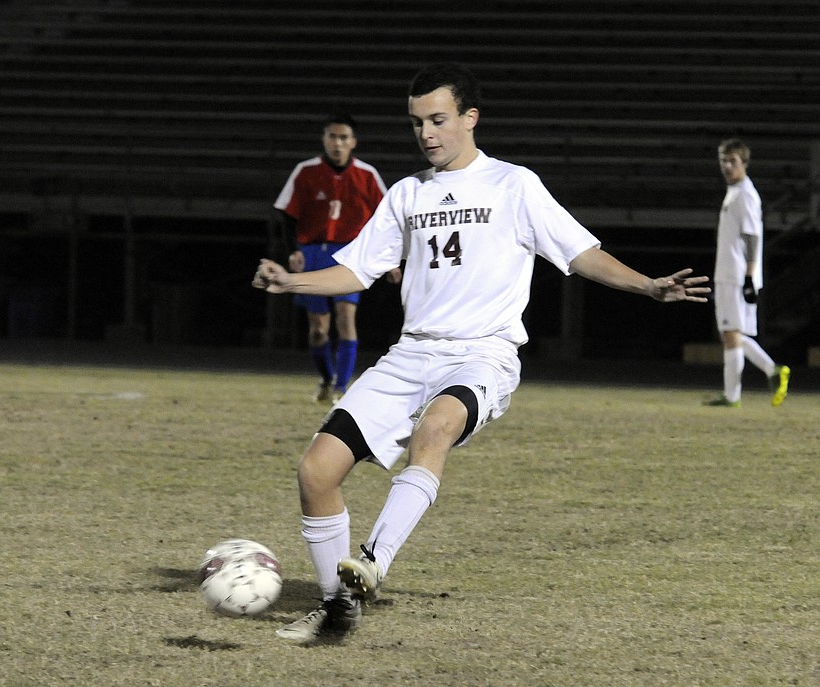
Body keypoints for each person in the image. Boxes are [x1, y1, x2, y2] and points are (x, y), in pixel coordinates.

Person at [253, 63, 711, 645]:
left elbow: (579, 253)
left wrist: (647, 285)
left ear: (470, 118)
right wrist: (292, 282)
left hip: (482, 356)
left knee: (435, 430)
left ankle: (373, 559)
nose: (427, 134)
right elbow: (354, 269)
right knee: (316, 470)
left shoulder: (513, 185)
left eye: (438, 120)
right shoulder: (405, 194)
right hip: (410, 354)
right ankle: (335, 609)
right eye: (417, 122)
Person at [273, 112, 390, 403]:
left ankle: (341, 388)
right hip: (313, 252)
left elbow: (387, 218)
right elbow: (286, 213)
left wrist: (387, 259)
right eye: (332, 137)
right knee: (318, 330)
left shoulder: (367, 175)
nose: (337, 143)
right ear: (324, 139)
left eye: (343, 137)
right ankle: (326, 380)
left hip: (348, 253)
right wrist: (294, 251)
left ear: (353, 142)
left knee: (346, 318)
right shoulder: (306, 171)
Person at [705, 138, 789, 408]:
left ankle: (737, 393)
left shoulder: (745, 194)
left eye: (733, 161)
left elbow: (752, 237)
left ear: (744, 163)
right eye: (723, 161)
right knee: (732, 333)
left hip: (736, 275)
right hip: (729, 273)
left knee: (730, 333)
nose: (727, 166)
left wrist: (750, 276)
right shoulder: (735, 191)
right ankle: (768, 373)